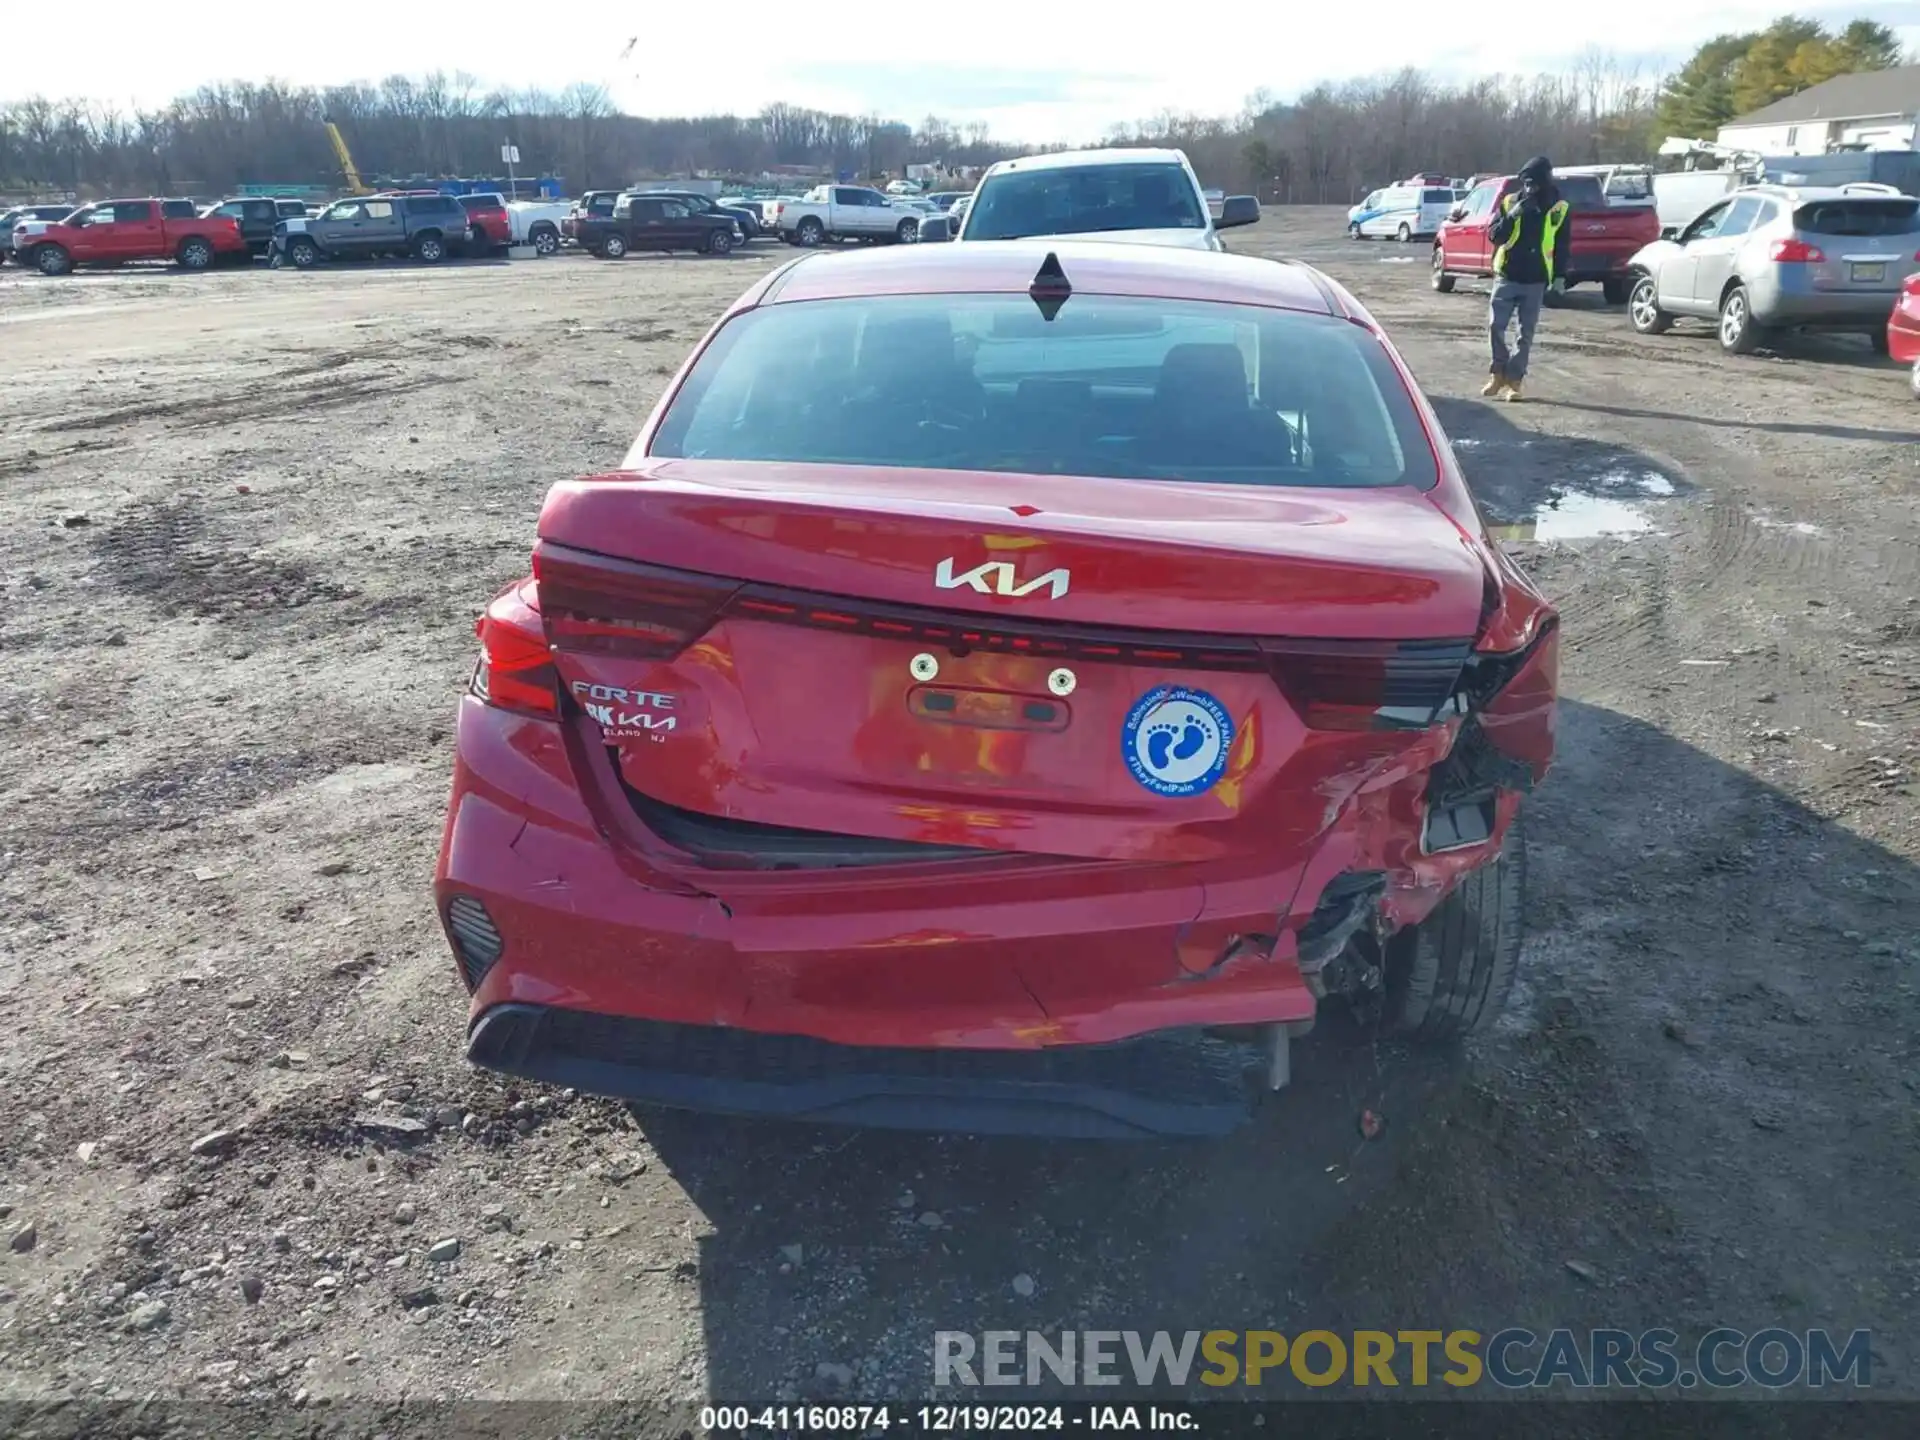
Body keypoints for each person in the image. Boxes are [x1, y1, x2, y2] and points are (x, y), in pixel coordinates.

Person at [1482, 156, 1571, 402]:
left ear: (1545, 182)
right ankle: (1498, 373)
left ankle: (1514, 380)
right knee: (1495, 326)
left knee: (1525, 334)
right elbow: (1494, 236)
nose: (1530, 189)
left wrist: (1561, 276)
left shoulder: (1559, 208)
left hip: (1536, 279)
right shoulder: (1510, 202)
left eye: (1535, 184)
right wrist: (1512, 215)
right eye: (1527, 183)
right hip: (1507, 275)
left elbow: (1563, 244)